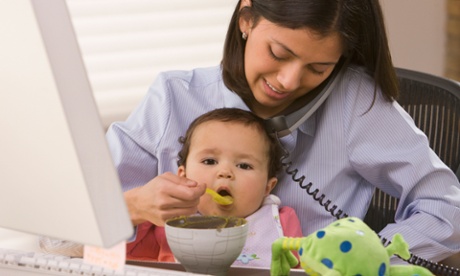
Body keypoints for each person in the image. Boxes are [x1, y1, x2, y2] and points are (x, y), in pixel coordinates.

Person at [41, 0, 460, 267]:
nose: (290, 81)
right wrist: (131, 205)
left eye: (319, 68)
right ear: (246, 19)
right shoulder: (173, 97)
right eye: (279, 53)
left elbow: (447, 208)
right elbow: (55, 231)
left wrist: (368, 258)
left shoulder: (355, 102)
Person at [126, 108, 303, 267]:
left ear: (267, 187)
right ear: (183, 176)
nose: (225, 172)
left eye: (244, 165)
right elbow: (123, 255)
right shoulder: (166, 220)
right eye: (209, 161)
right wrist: (138, 211)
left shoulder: (281, 222)